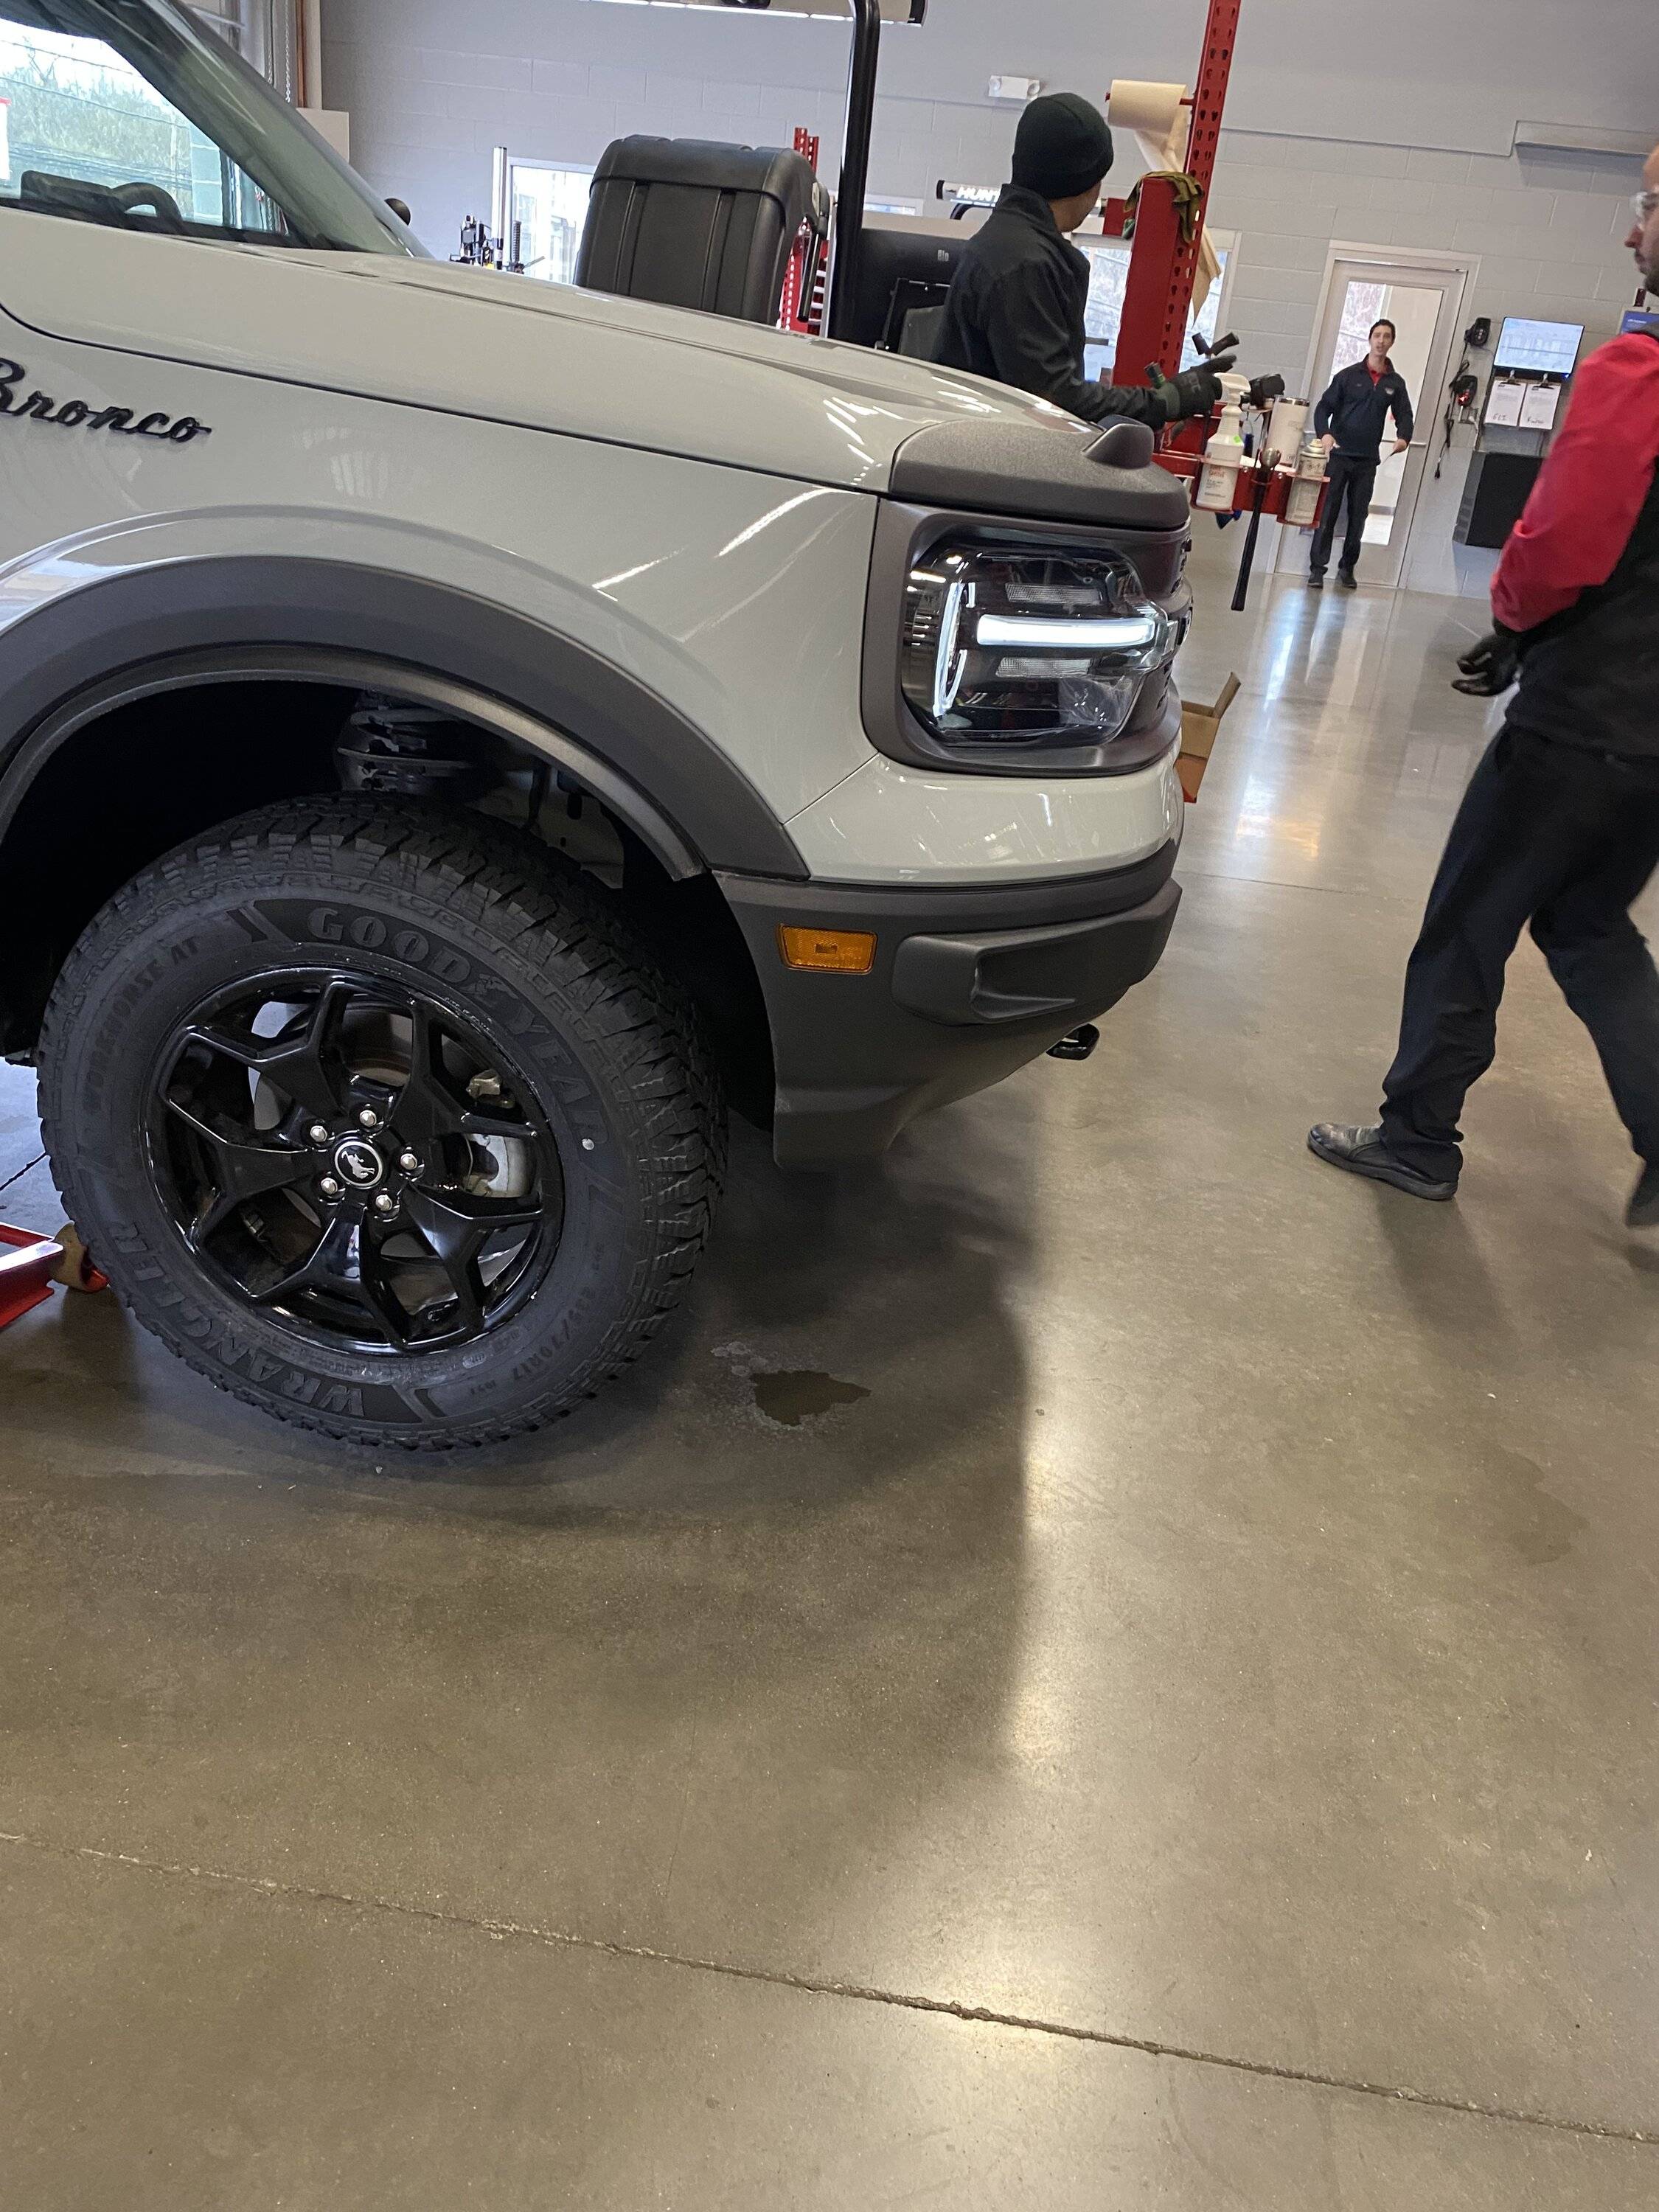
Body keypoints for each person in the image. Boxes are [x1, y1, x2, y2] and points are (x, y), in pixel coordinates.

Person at [1309, 144, 1659, 1224]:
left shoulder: (1637, 374)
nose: (1628, 229)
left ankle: (1416, 1138)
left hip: (1579, 717)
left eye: (1647, 205)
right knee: (1589, 924)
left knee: (1468, 920)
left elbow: (1559, 537)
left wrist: (1514, 620)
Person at [932, 91, 1227, 428]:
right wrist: (1163, 401)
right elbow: (1052, 399)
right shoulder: (1026, 263)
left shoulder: (1010, 242)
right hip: (990, 457)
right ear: (1088, 185)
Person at [1307, 320, 1415, 590]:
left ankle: (1347, 568)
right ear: (1370, 340)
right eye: (1377, 335)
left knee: (1358, 516)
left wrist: (1404, 437)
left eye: (1386, 336)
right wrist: (1326, 434)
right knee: (1328, 512)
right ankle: (1318, 570)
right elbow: (1323, 408)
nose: (1381, 341)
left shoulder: (1395, 383)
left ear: (1392, 342)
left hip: (1367, 461)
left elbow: (1405, 414)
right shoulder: (1347, 376)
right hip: (1340, 457)